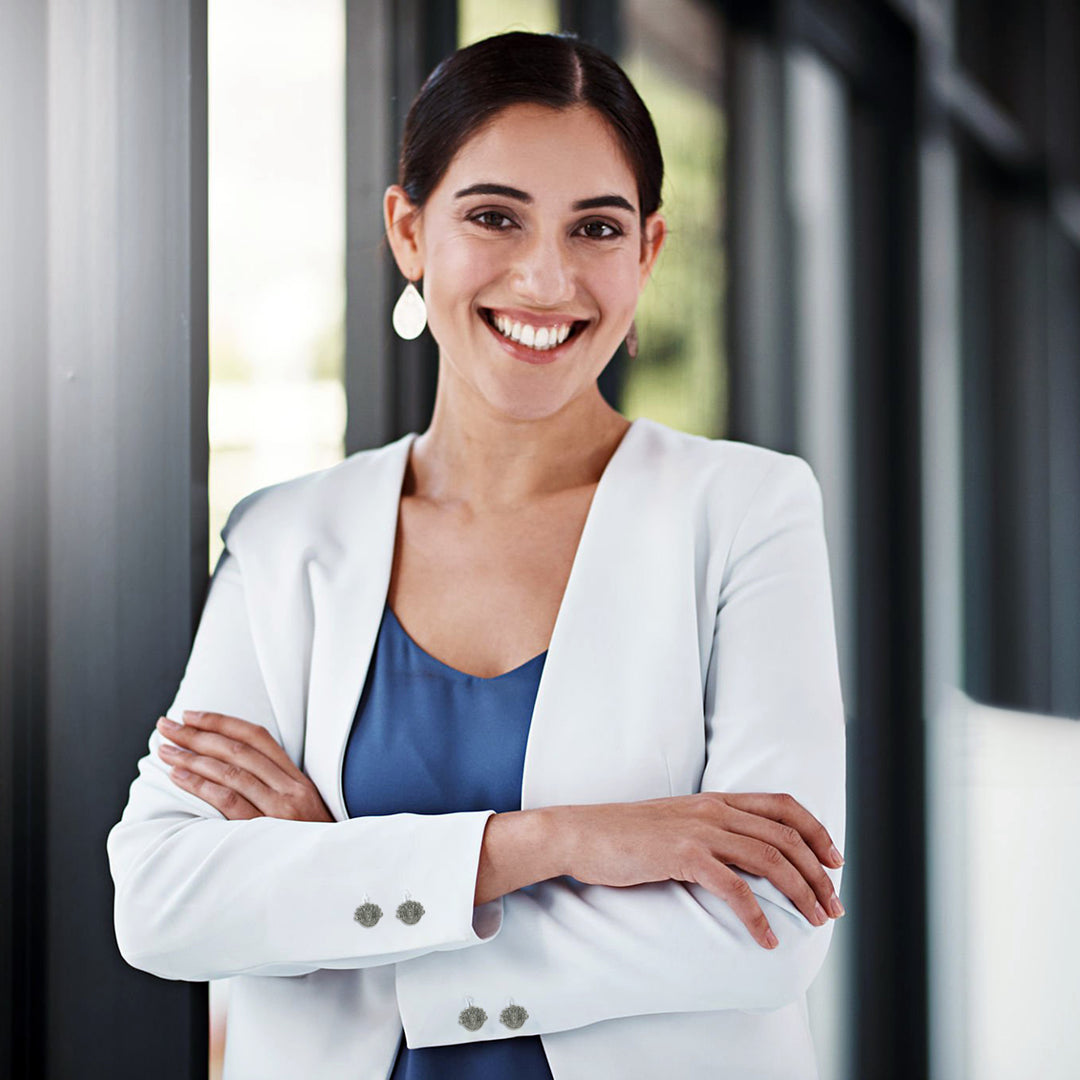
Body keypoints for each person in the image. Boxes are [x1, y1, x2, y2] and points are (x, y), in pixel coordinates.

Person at [107, 30, 846, 1080]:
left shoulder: (745, 512)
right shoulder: (286, 540)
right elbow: (164, 901)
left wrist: (335, 883)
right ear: (409, 231)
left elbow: (769, 922)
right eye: (494, 217)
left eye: (597, 227)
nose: (546, 277)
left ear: (647, 254)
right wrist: (551, 844)